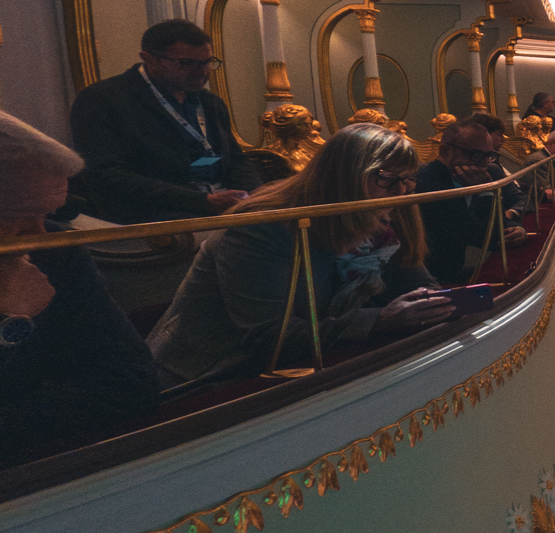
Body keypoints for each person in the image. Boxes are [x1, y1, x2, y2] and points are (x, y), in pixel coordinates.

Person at [146, 122, 449, 387]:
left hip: (298, 365)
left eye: (408, 179)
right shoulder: (260, 227)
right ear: (344, 175)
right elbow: (270, 337)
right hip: (208, 377)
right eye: (386, 177)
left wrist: (431, 304)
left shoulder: (379, 218)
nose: (402, 191)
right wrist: (380, 320)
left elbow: (418, 282)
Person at [0, 112, 161, 467]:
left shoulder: (57, 250)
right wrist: (11, 324)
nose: (39, 235)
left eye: (47, 214)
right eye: (21, 215)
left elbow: (131, 383)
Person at [68, 19, 262, 223]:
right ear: (149, 59)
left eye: (206, 62)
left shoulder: (208, 101)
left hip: (222, 205)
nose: (202, 71)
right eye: (186, 63)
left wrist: (254, 195)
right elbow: (105, 175)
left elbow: (235, 159)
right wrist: (201, 200)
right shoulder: (103, 100)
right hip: (159, 214)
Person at [415, 117, 528, 285]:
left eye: (488, 156)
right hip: (429, 280)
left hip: (452, 269)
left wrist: (516, 229)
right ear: (446, 152)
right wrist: (486, 192)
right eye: (475, 155)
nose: (483, 163)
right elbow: (487, 238)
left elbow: (500, 224)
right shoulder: (429, 183)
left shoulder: (482, 173)